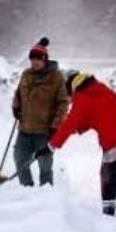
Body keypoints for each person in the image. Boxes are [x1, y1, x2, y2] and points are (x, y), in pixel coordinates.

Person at [34, 71, 116, 216]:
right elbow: (92, 117)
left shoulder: (82, 98)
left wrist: (50, 146)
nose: (67, 98)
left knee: (108, 177)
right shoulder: (98, 87)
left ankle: (108, 212)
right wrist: (65, 131)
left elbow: (71, 123)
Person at [12, 37, 69, 186]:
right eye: (32, 59)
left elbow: (63, 103)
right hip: (25, 129)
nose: (34, 62)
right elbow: (18, 94)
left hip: (45, 131)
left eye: (38, 59)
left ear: (45, 60)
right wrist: (16, 107)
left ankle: (46, 196)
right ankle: (27, 190)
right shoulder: (26, 75)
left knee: (45, 166)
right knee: (20, 160)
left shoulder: (56, 77)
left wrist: (55, 125)